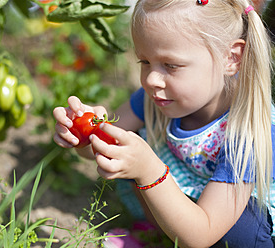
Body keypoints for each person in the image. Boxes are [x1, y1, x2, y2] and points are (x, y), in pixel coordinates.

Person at [53, 0, 275, 247]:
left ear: (231, 58)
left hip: (212, 226)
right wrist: (87, 133)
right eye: (144, 62)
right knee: (128, 147)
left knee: (243, 228)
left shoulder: (249, 134)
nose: (152, 79)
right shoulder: (155, 99)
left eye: (171, 65)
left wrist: (148, 170)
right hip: (188, 203)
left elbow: (202, 234)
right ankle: (159, 235)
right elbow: (101, 150)